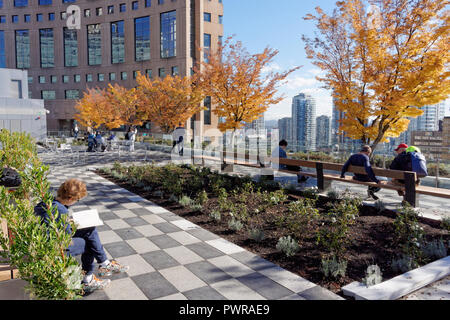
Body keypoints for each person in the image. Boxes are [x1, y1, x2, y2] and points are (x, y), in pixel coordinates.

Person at [33, 179, 129, 293]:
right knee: (88, 243)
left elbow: (51, 222)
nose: (76, 202)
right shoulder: (61, 210)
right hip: (55, 246)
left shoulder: (48, 202)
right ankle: (88, 280)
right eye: (77, 200)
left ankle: (104, 264)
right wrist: (71, 225)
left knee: (90, 230)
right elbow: (65, 237)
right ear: (69, 198)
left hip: (45, 239)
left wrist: (68, 222)